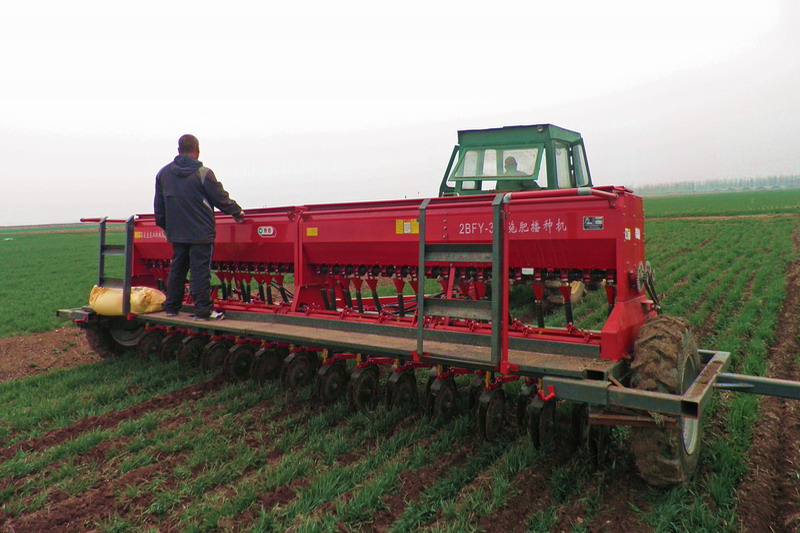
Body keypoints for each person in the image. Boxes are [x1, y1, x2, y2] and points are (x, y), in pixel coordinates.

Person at [154, 134, 245, 320]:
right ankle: (203, 311)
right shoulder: (203, 173)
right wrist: (237, 212)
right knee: (200, 272)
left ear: (178, 150)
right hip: (201, 233)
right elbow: (220, 198)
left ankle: (171, 308)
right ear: (197, 150)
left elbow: (159, 207)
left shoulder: (163, 174)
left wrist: (166, 227)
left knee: (177, 269)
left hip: (177, 233)